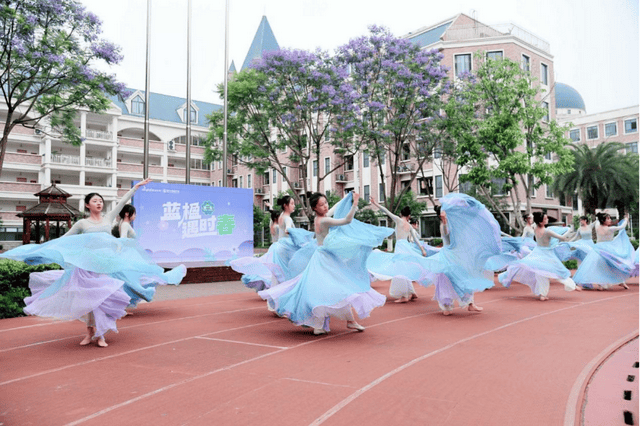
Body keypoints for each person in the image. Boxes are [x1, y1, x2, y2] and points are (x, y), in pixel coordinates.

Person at [1, 179, 185, 347]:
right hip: (86, 267)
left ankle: (101, 335)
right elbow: (64, 239)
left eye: (100, 200)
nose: (99, 203)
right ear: (88, 205)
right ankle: (90, 333)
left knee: (102, 300)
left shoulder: (108, 218)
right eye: (95, 201)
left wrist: (136, 188)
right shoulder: (82, 223)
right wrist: (41, 250)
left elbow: (122, 202)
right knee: (88, 301)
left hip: (105, 266)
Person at [259, 192, 393, 335]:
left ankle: (323, 324)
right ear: (315, 208)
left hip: (320, 256)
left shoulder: (320, 218)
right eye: (321, 205)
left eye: (325, 203)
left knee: (324, 289)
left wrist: (344, 199)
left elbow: (332, 209)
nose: (325, 206)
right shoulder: (324, 221)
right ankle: (341, 322)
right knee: (339, 287)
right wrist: (354, 203)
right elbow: (346, 220)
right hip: (326, 259)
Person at [413, 196, 499, 315]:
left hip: (456, 255)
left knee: (465, 276)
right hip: (447, 256)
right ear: (440, 215)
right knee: (446, 280)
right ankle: (446, 306)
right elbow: (447, 235)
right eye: (444, 213)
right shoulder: (444, 225)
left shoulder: (453, 224)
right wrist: (444, 221)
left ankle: (470, 303)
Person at [229, 195, 313, 291]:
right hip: (286, 249)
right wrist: (290, 230)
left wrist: (270, 208)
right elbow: (288, 227)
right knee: (291, 273)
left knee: (277, 275)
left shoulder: (281, 216)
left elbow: (275, 216)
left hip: (279, 248)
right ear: (286, 205)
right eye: (292, 203)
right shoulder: (287, 218)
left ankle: (276, 297)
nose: (294, 206)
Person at [115, 204, 185, 310]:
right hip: (129, 254)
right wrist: (120, 253)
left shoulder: (123, 223)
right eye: (134, 214)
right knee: (136, 278)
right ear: (127, 214)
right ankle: (128, 302)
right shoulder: (125, 224)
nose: (135, 216)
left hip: (131, 253)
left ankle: (126, 304)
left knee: (132, 279)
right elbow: (123, 239)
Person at [499, 212, 580, 301]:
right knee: (557, 270)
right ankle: (570, 285)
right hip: (546, 253)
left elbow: (534, 223)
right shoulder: (547, 231)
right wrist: (570, 229)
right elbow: (563, 238)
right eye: (545, 219)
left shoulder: (535, 228)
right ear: (541, 222)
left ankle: (543, 294)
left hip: (538, 252)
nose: (547, 219)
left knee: (541, 273)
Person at [367, 197, 433, 303]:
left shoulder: (398, 220)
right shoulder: (410, 226)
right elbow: (416, 239)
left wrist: (375, 204)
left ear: (401, 214)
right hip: (406, 247)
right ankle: (411, 292)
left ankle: (404, 296)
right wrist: (422, 249)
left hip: (400, 247)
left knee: (400, 270)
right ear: (409, 216)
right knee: (405, 269)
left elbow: (387, 212)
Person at [572, 213, 634, 290]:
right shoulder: (610, 228)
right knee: (608, 266)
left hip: (599, 249)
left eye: (609, 218)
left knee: (604, 266)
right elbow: (621, 226)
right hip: (605, 249)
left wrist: (601, 214)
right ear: (603, 221)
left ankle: (618, 282)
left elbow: (597, 222)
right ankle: (607, 284)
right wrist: (625, 220)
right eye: (608, 219)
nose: (610, 220)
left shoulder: (598, 227)